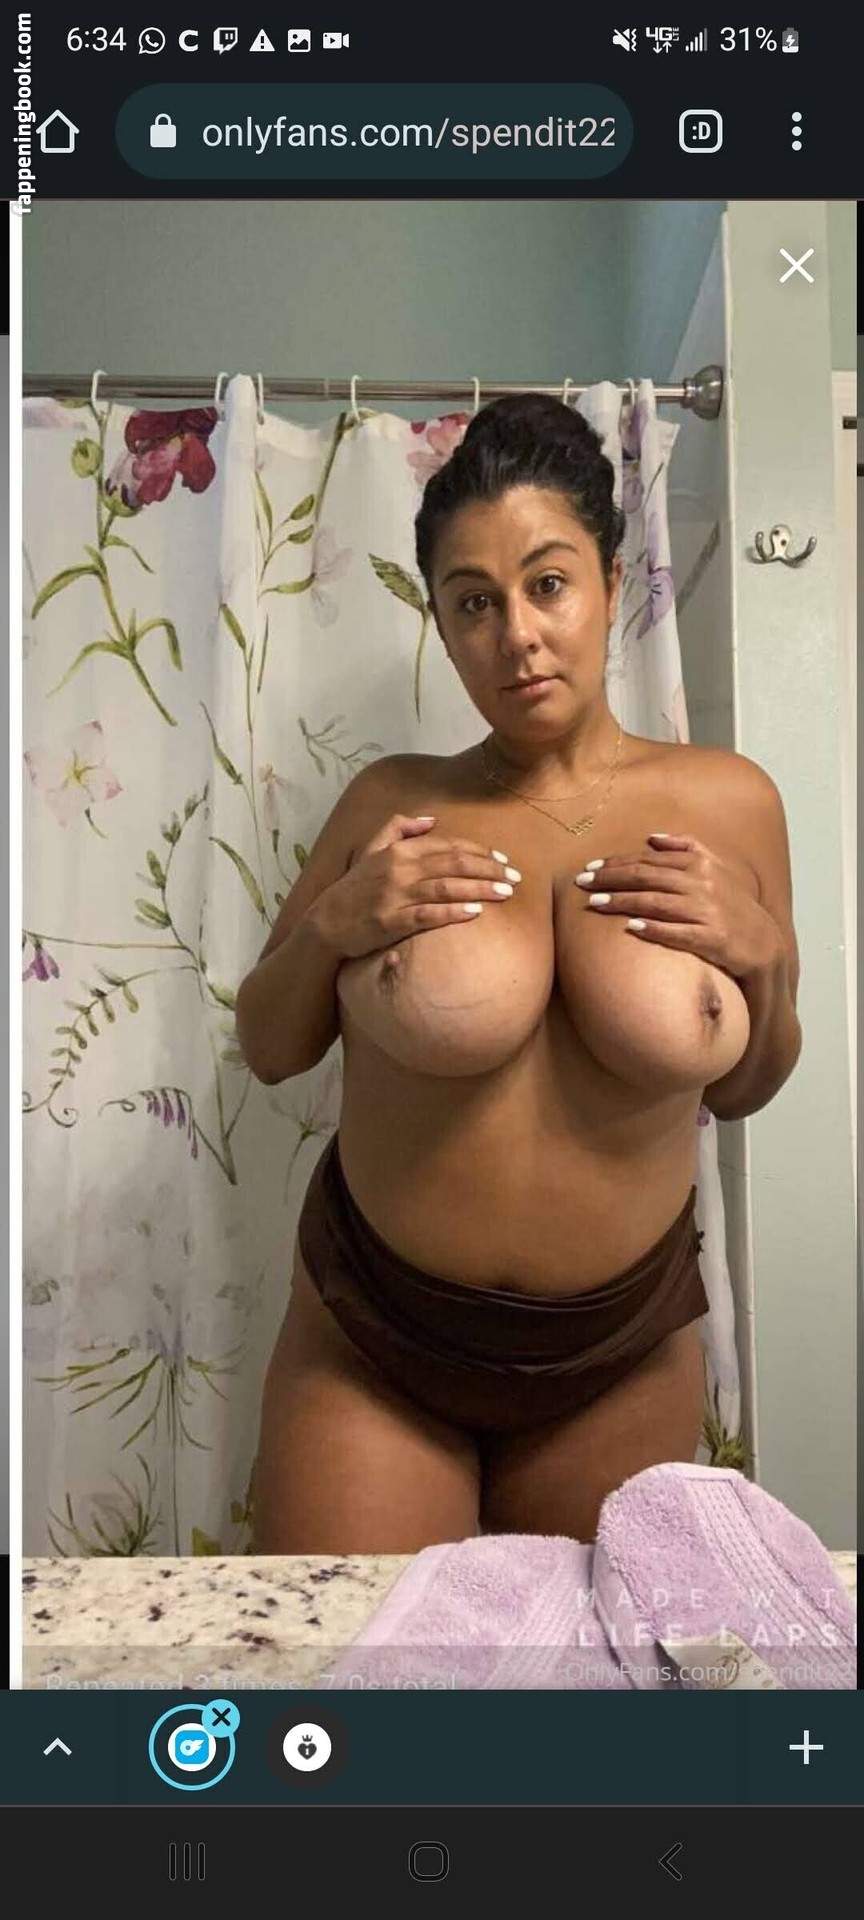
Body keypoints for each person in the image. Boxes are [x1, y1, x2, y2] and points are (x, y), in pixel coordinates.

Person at [237, 393, 801, 1553]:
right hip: (374, 1344)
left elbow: (746, 1086)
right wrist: (335, 923)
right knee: (344, 1658)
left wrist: (765, 964)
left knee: (593, 1664)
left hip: (621, 1355)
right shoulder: (392, 801)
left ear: (611, 582)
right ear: (444, 630)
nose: (517, 636)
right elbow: (270, 1045)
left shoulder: (730, 802)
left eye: (548, 585)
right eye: (474, 603)